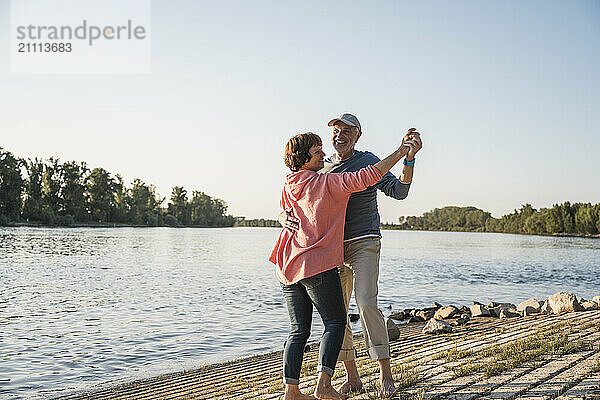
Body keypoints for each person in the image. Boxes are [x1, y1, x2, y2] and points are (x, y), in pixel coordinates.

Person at [280, 114, 422, 397]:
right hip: (330, 249)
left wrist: (408, 158)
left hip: (365, 240)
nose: (340, 135)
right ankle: (352, 377)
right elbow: (298, 201)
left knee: (367, 302)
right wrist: (284, 217)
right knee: (338, 314)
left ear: (358, 135)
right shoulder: (321, 167)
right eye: (335, 130)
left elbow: (400, 191)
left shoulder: (369, 160)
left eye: (347, 130)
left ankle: (385, 375)